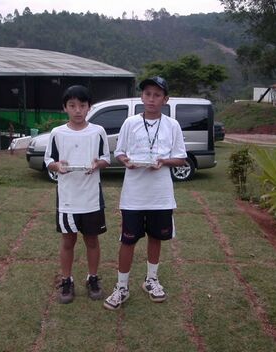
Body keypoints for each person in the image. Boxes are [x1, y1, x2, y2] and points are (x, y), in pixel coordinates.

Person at [103, 76, 187, 310]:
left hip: (160, 194)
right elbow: (119, 151)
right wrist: (125, 161)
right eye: (147, 94)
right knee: (127, 240)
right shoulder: (130, 123)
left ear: (165, 99)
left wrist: (163, 161)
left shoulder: (173, 125)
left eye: (157, 95)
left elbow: (181, 157)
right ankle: (122, 287)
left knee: (156, 237)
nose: (151, 99)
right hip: (133, 194)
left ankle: (151, 280)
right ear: (142, 97)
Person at [44, 85, 110, 304]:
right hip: (68, 199)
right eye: (72, 106)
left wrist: (97, 163)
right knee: (68, 241)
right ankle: (66, 280)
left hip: (91, 198)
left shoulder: (98, 131)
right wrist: (58, 166)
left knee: (92, 240)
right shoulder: (57, 133)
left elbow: (106, 159)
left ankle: (92, 278)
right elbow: (48, 161)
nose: (78, 110)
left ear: (89, 107)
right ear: (65, 108)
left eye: (82, 105)